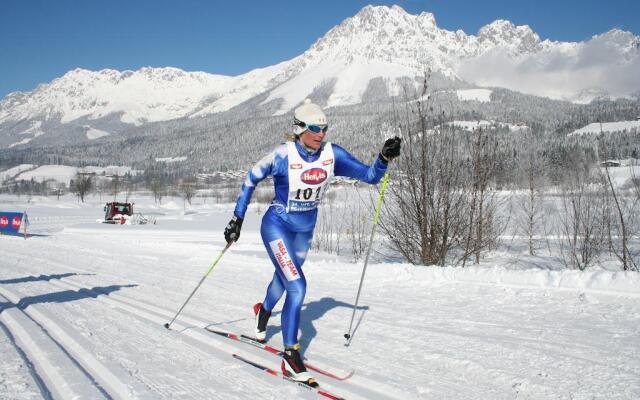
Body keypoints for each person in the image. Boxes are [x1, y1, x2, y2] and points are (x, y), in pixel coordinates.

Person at [224, 99, 401, 386]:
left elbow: (370, 177)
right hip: (277, 226)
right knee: (297, 284)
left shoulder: (332, 155)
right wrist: (237, 219)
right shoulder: (283, 155)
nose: (321, 134)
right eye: (315, 128)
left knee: (284, 281)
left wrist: (383, 157)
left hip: (304, 231)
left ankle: (263, 313)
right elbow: (250, 179)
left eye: (325, 128)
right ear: (299, 129)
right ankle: (291, 357)